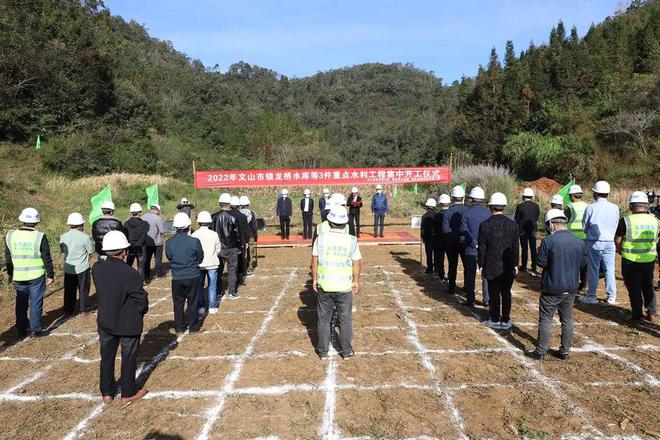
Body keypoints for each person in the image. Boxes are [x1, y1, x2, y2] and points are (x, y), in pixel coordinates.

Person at [93, 231, 148, 403]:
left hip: (106, 321)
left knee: (107, 357)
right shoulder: (129, 273)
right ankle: (128, 392)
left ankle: (107, 392)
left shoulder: (97, 268)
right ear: (123, 252)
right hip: (127, 323)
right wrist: (141, 310)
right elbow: (140, 298)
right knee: (129, 358)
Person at [526, 209, 587, 361]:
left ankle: (540, 351)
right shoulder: (578, 241)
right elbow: (583, 264)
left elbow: (541, 263)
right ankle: (565, 351)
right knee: (567, 319)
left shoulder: (548, 241)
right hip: (571, 287)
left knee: (546, 319)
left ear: (551, 224)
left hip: (552, 287)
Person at [312, 205, 361, 360]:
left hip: (325, 286)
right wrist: (356, 281)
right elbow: (357, 263)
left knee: (323, 319)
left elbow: (314, 261)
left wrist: (314, 278)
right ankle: (346, 352)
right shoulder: (352, 240)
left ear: (329, 221)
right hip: (344, 287)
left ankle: (323, 351)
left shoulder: (321, 239)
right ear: (345, 223)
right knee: (345, 320)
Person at [5, 208, 55, 338]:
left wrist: (10, 274)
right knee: (35, 302)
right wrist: (50, 274)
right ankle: (35, 329)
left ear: (21, 219)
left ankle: (22, 329)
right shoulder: (39, 236)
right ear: (36, 222)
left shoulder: (10, 235)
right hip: (36, 275)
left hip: (19, 275)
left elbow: (8, 258)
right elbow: (46, 257)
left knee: (21, 303)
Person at [615, 192, 659, 322]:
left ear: (631, 205)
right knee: (648, 285)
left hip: (630, 260)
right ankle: (651, 312)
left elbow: (617, 240)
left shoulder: (626, 221)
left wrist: (620, 250)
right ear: (646, 206)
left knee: (634, 287)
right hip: (649, 259)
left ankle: (637, 314)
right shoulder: (656, 220)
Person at [478, 193, 519, 330]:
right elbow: (515, 247)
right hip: (508, 265)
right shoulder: (513, 225)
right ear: (504, 207)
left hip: (491, 264)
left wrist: (481, 265)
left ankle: (495, 318)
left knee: (494, 293)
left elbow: (482, 247)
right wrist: (515, 264)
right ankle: (505, 320)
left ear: (490, 207)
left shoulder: (484, 225)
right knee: (506, 292)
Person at [579, 180, 620, 305]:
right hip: (609, 242)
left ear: (595, 193)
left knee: (593, 269)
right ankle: (611, 297)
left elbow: (584, 226)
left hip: (594, 241)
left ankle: (592, 296)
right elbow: (616, 224)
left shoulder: (591, 207)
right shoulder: (615, 208)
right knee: (609, 269)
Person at [166, 213, 204, 333]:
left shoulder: (169, 242)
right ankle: (193, 327)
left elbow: (169, 256)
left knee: (178, 303)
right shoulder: (194, 241)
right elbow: (200, 257)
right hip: (193, 275)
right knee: (193, 302)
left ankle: (179, 327)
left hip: (177, 276)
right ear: (188, 226)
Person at [460, 187, 491, 307]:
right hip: (486, 248)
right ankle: (487, 299)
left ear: (471, 199)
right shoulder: (488, 213)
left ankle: (470, 299)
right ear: (482, 200)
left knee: (470, 274)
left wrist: (474, 243)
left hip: (470, 248)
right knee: (486, 274)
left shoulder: (466, 213)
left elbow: (464, 230)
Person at [59, 213, 95, 315]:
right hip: (82, 267)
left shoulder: (63, 237)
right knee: (83, 288)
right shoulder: (85, 237)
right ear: (81, 225)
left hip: (69, 267)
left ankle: (68, 309)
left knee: (69, 289)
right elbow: (91, 250)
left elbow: (62, 250)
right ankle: (84, 307)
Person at [212, 193, 241, 299]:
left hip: (218, 247)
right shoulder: (232, 217)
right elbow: (237, 233)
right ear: (229, 204)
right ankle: (232, 292)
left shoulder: (213, 217)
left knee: (218, 270)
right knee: (232, 269)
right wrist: (238, 246)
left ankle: (218, 292)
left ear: (220, 203)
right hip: (231, 247)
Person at [192, 211, 222, 315]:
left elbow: (193, 250)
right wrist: (213, 255)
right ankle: (212, 307)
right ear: (209, 222)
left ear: (199, 222)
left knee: (200, 287)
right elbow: (218, 248)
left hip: (199, 265)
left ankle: (201, 307)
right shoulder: (214, 234)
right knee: (212, 286)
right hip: (212, 263)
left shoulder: (194, 234)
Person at [443, 185, 468, 295]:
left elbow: (445, 229)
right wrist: (462, 237)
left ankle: (452, 286)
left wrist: (454, 237)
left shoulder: (448, 212)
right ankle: (467, 286)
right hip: (465, 242)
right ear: (463, 197)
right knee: (467, 265)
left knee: (452, 265)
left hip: (451, 243)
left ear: (452, 198)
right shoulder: (467, 210)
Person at [565, 185, 588, 292]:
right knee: (584, 262)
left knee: (572, 262)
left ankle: (573, 283)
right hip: (585, 238)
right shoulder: (587, 206)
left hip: (572, 238)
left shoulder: (569, 207)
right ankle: (585, 283)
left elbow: (564, 222)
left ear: (572, 196)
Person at [515, 187, 540, 276]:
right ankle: (534, 266)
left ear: (523, 196)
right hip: (533, 229)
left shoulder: (520, 206)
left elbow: (516, 218)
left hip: (522, 230)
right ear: (532, 197)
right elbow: (537, 216)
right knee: (533, 248)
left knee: (524, 248)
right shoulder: (536, 206)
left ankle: (524, 266)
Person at [123, 203, 149, 283]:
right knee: (140, 266)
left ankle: (126, 280)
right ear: (140, 212)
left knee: (128, 264)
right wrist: (138, 243)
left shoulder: (126, 224)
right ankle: (140, 282)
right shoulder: (145, 224)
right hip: (140, 246)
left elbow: (125, 235)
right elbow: (143, 236)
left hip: (130, 246)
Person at [142, 204, 166, 281]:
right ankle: (159, 273)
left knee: (147, 259)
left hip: (146, 242)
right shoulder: (158, 218)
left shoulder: (143, 217)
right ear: (156, 210)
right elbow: (162, 231)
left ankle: (147, 274)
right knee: (158, 258)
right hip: (157, 242)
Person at [230, 196, 249, 284]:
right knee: (240, 261)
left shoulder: (227, 215)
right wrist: (247, 241)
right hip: (240, 242)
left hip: (228, 243)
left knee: (230, 263)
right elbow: (246, 231)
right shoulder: (242, 216)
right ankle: (239, 278)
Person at [432, 194, 451, 282]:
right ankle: (451, 277)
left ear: (440, 203)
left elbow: (434, 228)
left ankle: (441, 275)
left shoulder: (437, 215)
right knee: (452, 260)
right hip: (450, 239)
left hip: (439, 239)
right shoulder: (452, 213)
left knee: (440, 258)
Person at [239, 196, 258, 275]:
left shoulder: (238, 213)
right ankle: (249, 268)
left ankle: (242, 269)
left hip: (241, 236)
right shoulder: (251, 213)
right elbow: (254, 226)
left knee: (242, 253)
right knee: (250, 253)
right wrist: (255, 235)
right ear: (248, 204)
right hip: (250, 236)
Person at [421, 198, 438, 274]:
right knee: (437, 253)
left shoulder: (424, 216)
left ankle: (429, 268)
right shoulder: (438, 215)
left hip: (428, 237)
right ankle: (437, 268)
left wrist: (422, 237)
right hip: (437, 237)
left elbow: (422, 229)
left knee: (429, 253)